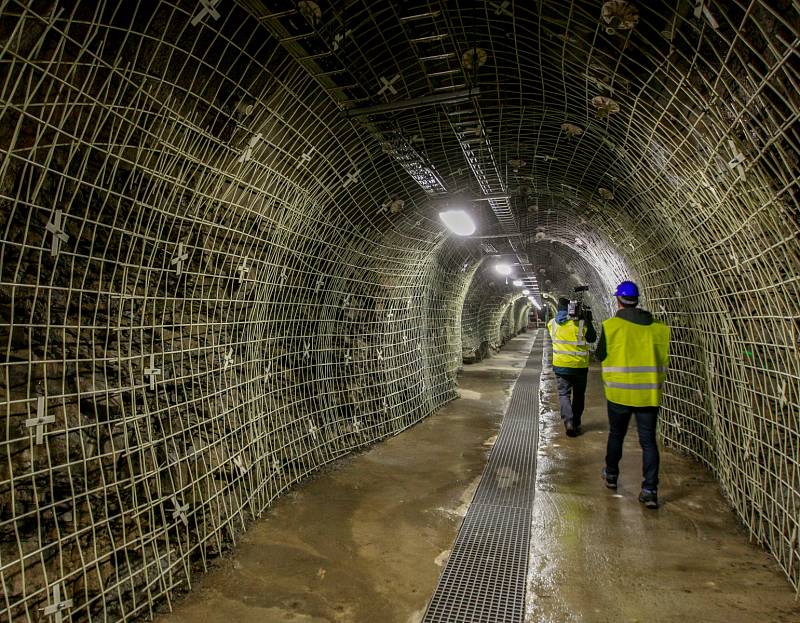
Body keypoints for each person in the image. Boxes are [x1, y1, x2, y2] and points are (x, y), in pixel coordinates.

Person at [596, 281, 671, 509]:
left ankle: (611, 475)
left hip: (618, 394)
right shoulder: (659, 328)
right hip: (647, 395)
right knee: (648, 443)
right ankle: (649, 490)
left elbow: (600, 355)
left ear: (618, 300)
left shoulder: (611, 326)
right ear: (637, 299)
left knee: (616, 435)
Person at [547, 297, 596, 437]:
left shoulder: (552, 324)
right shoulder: (581, 323)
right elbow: (592, 338)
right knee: (579, 395)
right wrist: (588, 320)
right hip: (580, 366)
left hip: (561, 366)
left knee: (564, 394)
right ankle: (577, 422)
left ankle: (568, 421)